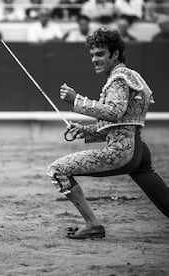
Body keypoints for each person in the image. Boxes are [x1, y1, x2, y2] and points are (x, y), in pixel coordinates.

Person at [47, 27, 169, 239]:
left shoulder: (118, 78)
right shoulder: (130, 75)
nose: (94, 59)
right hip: (137, 149)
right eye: (92, 55)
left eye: (100, 54)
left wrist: (76, 101)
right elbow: (122, 122)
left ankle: (92, 224)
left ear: (115, 54)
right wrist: (85, 131)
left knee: (57, 170)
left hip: (121, 151)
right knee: (156, 188)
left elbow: (114, 112)